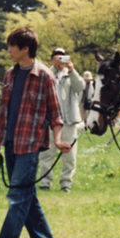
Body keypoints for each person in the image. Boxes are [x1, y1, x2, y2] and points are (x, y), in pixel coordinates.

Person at [0, 27, 71, 238]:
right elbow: (3, 113)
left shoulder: (44, 75)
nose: (9, 50)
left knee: (18, 196)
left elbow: (55, 113)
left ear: (25, 49)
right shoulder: (9, 75)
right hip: (10, 143)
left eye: (13, 46)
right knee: (26, 194)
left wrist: (58, 140)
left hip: (31, 144)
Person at [38, 48, 85, 192]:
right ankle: (45, 182)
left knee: (69, 155)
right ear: (52, 59)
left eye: (64, 58)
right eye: (58, 58)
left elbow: (80, 87)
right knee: (46, 153)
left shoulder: (71, 75)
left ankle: (66, 183)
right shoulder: (46, 74)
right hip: (49, 121)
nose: (61, 61)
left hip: (69, 120)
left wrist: (72, 70)